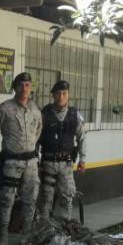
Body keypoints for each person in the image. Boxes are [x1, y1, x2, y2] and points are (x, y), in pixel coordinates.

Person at [0, 72, 42, 245]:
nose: (24, 88)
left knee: (30, 200)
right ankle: (3, 235)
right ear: (14, 87)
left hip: (31, 163)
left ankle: (26, 235)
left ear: (31, 87)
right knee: (6, 199)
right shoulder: (4, 108)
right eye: (20, 85)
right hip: (11, 162)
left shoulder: (35, 110)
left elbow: (38, 131)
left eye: (27, 85)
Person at [37, 80, 86, 221]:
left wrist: (83, 159)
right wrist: (36, 160)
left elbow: (82, 138)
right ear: (53, 95)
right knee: (46, 198)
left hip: (66, 164)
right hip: (48, 163)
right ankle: (44, 228)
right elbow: (36, 138)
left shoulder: (74, 115)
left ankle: (64, 228)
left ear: (68, 95)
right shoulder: (44, 113)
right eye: (58, 93)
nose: (61, 96)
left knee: (68, 196)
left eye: (64, 93)